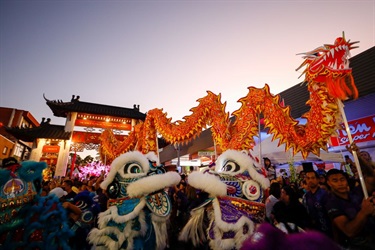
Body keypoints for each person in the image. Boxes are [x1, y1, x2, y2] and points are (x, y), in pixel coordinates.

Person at [325, 169, 375, 249]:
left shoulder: (356, 193)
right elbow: (349, 231)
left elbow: (372, 179)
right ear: (329, 183)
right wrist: (364, 212)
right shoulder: (332, 204)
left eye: (342, 179)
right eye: (335, 180)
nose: (340, 183)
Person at [303, 170, 333, 238]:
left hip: (327, 230)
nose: (310, 180)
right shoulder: (307, 196)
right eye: (308, 178)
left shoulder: (324, 194)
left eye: (313, 178)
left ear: (318, 180)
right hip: (314, 230)